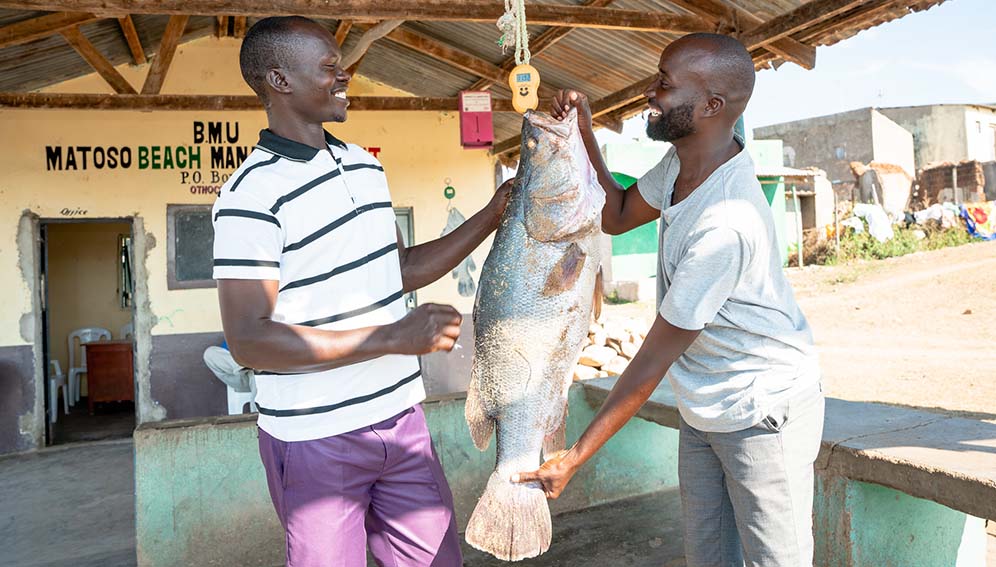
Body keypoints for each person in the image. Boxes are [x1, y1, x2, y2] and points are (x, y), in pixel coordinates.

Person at [515, 33, 824, 567]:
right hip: (705, 406)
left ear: (711, 106)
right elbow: (614, 216)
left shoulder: (725, 223)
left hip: (760, 408)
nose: (649, 96)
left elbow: (652, 360)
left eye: (663, 85)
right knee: (709, 557)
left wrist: (575, 457)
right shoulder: (683, 166)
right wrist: (585, 132)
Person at [212, 16, 511, 566]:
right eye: (329, 68)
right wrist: (391, 336)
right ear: (280, 80)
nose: (345, 75)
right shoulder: (250, 196)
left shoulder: (364, 167)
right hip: (313, 438)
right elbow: (250, 341)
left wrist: (492, 215)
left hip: (401, 422)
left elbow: (398, 269)